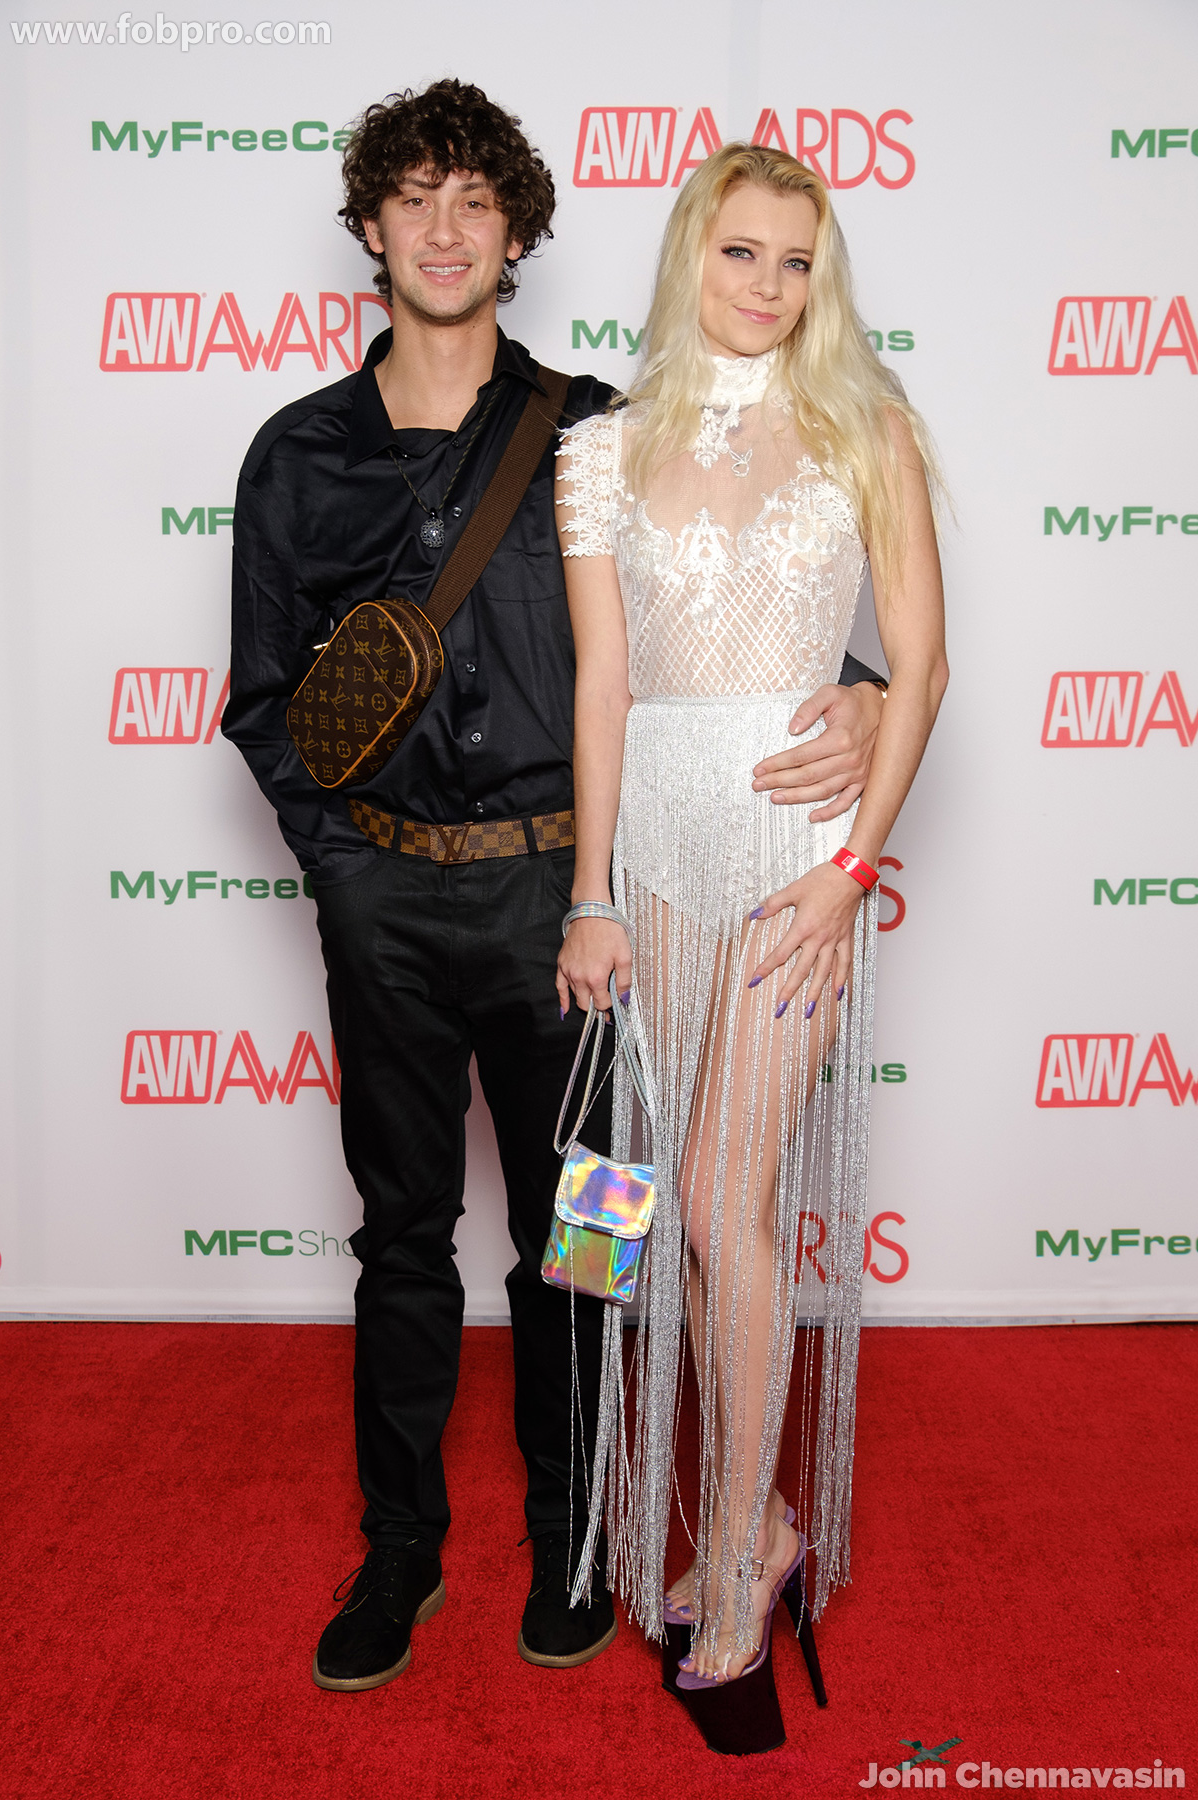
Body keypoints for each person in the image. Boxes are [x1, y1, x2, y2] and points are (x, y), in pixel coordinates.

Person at [224, 83, 887, 1694]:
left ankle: (576, 1538)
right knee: (401, 1231)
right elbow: (263, 703)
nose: (445, 230)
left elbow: (739, 602)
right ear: (370, 226)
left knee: (589, 1236)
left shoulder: (602, 431)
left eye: (476, 200)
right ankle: (401, 1550)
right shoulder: (297, 455)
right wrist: (350, 873)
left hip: (577, 907)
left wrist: (869, 693)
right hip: (390, 908)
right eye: (415, 198)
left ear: (517, 230)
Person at [556, 143, 947, 1753]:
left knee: (725, 1199)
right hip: (650, 849)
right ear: (689, 256)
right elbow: (602, 683)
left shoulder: (868, 427)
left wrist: (853, 871)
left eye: (798, 261)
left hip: (797, 862)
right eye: (742, 252)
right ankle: (740, 1522)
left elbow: (921, 666)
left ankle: (735, 1556)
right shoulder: (600, 449)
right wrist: (588, 892)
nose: (769, 285)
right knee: (638, 1198)